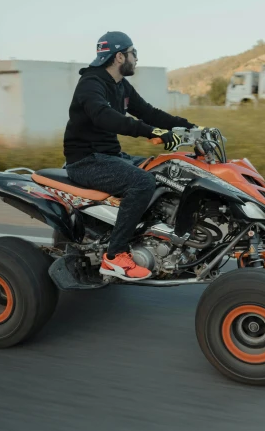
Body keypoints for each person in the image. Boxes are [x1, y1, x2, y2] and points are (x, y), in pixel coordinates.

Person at [63, 31, 196, 280]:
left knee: (169, 169)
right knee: (142, 181)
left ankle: (155, 236)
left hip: (111, 156)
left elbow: (148, 112)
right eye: (134, 53)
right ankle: (115, 256)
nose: (137, 59)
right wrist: (151, 133)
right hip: (86, 160)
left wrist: (191, 127)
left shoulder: (120, 86)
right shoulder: (91, 83)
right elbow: (104, 116)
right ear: (120, 56)